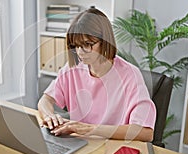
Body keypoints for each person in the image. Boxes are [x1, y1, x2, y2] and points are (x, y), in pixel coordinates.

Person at [38, 8, 156, 142]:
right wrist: (49, 116)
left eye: (87, 44)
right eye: (75, 45)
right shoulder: (73, 70)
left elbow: (145, 133)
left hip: (114, 148)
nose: (80, 52)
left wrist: (90, 129)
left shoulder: (130, 75)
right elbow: (45, 100)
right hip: (82, 145)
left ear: (105, 41)